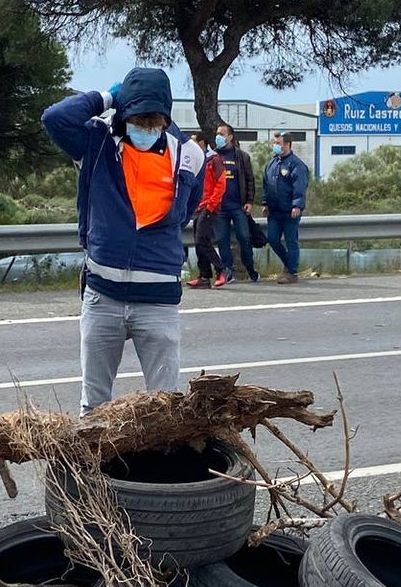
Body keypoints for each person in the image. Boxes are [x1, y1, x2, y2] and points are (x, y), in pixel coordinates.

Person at [42, 67, 203, 416]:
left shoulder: (188, 155)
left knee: (165, 409)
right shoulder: (97, 142)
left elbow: (186, 209)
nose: (146, 128)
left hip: (159, 301)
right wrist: (107, 97)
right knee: (94, 406)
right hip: (103, 297)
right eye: (137, 120)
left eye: (153, 122)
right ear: (123, 114)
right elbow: (54, 118)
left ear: (166, 118)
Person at [212, 122, 259, 286]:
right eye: (217, 133)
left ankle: (250, 268)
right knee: (222, 240)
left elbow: (250, 180)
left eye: (222, 134)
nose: (218, 137)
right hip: (219, 207)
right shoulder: (213, 156)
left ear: (230, 137)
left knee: (244, 238)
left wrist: (249, 201)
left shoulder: (241, 156)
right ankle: (227, 271)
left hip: (237, 206)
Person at [262, 132, 310, 284]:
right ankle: (288, 265)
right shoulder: (271, 164)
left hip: (290, 211)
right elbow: (266, 185)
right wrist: (265, 203)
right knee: (273, 239)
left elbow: (299, 187)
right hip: (274, 211)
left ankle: (292, 272)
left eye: (278, 143)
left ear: (288, 144)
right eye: (274, 143)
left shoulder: (296, 165)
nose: (275, 146)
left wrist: (297, 205)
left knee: (291, 241)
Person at [186, 132, 225, 289]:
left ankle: (221, 269)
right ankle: (204, 276)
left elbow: (221, 183)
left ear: (202, 142)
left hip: (209, 206)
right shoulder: (198, 160)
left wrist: (211, 204)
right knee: (199, 241)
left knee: (202, 239)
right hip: (199, 205)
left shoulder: (214, 160)